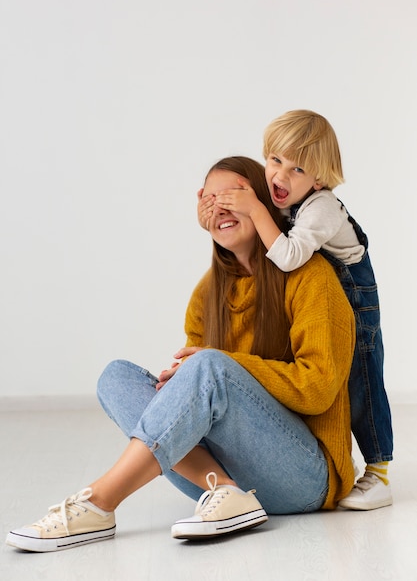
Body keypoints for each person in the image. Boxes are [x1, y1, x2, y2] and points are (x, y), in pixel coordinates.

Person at [6, 156, 355, 553]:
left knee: (210, 365)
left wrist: (218, 367)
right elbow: (204, 388)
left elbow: (319, 389)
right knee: (115, 376)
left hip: (305, 478)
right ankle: (225, 491)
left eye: (234, 195)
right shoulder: (207, 294)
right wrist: (186, 382)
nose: (221, 207)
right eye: (211, 198)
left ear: (263, 202)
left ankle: (99, 502)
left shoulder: (312, 276)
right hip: (231, 478)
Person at [198, 111, 393, 511]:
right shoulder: (286, 201)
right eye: (274, 161)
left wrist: (253, 208)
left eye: (297, 168)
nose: (280, 177)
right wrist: (218, 218)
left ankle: (380, 471)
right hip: (330, 293)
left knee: (364, 385)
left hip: (355, 296)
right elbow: (253, 243)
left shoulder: (320, 209)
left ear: (318, 180)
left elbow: (285, 256)